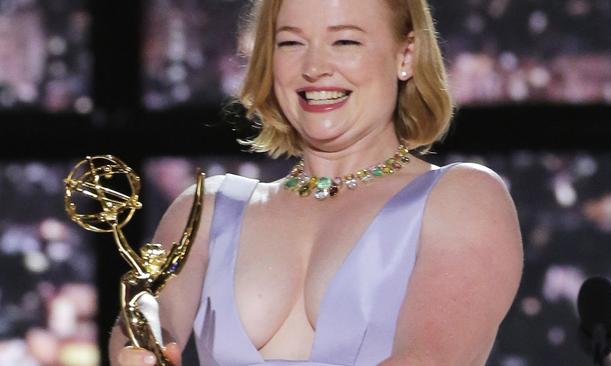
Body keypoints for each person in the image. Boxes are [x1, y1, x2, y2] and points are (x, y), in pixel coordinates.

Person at [110, 0, 523, 364]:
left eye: (344, 42)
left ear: (406, 55)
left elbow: (427, 359)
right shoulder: (204, 212)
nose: (313, 68)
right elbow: (143, 328)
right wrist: (138, 346)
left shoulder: (461, 198)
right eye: (290, 42)